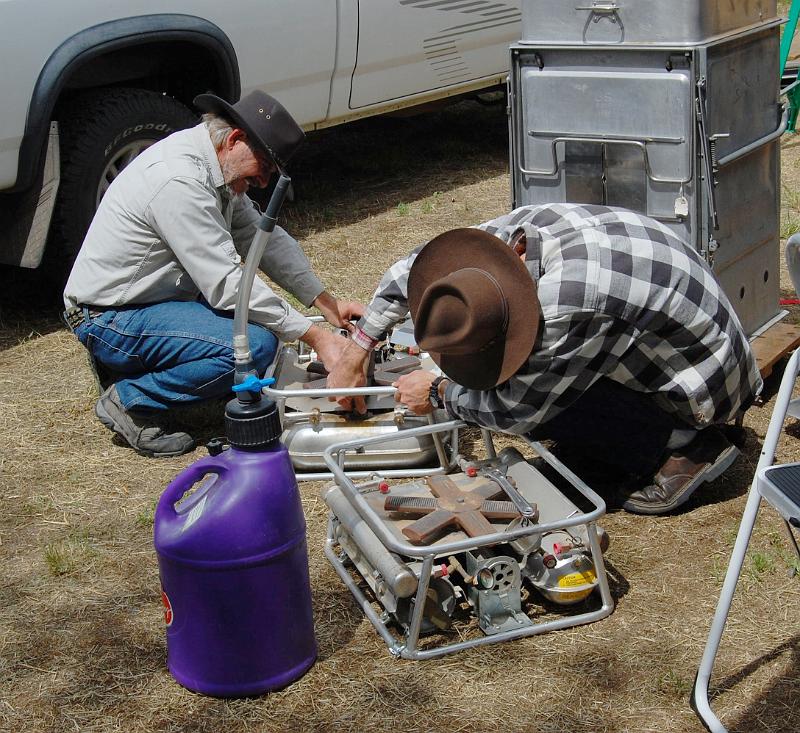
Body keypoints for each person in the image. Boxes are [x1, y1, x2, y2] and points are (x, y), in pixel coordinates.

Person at [327, 203, 762, 515]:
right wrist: (356, 350)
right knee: (520, 379)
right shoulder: (506, 240)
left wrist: (440, 391)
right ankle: (642, 436)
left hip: (704, 392)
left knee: (523, 393)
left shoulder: (569, 304)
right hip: (682, 349)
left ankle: (683, 446)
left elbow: (516, 409)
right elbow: (411, 270)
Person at [63, 90, 361, 457]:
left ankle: (152, 371)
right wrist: (318, 337)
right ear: (235, 140)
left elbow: (261, 237)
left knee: (255, 334)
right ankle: (128, 398)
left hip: (150, 302)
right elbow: (227, 285)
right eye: (265, 168)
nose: (264, 183)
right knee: (254, 345)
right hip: (110, 317)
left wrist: (324, 301)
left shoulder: (214, 165)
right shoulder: (179, 181)